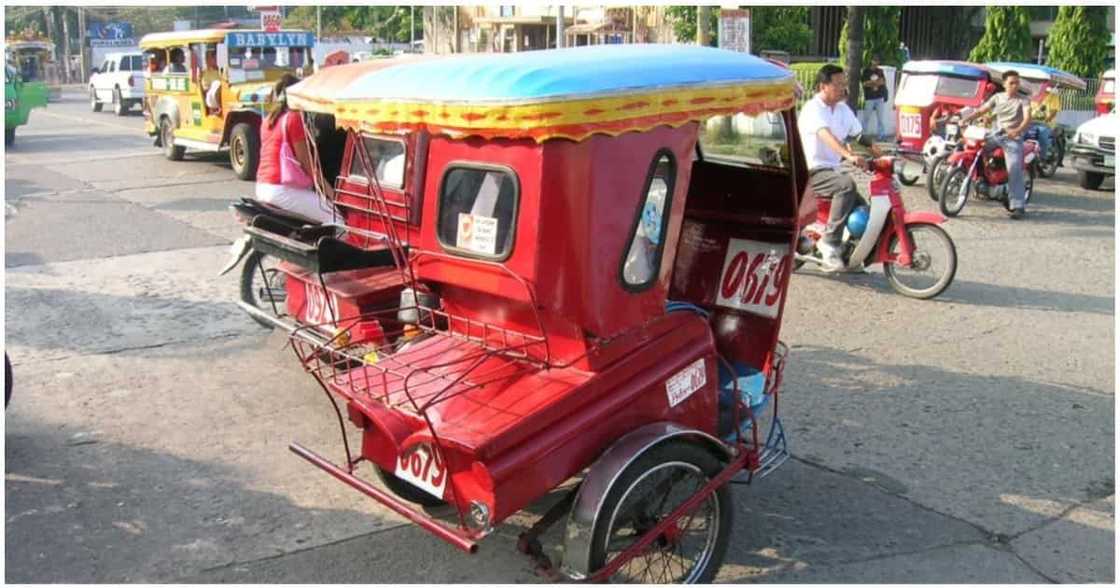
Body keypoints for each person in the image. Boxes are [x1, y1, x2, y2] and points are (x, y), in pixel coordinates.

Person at [798, 64, 880, 271]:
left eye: (844, 83)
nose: (843, 88)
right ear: (822, 86)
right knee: (846, 185)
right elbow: (826, 136)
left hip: (831, 171)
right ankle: (830, 242)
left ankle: (849, 254)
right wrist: (848, 155)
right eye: (837, 84)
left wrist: (876, 150)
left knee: (864, 209)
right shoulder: (813, 109)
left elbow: (858, 135)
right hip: (812, 170)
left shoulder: (843, 110)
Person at [255, 74, 339, 224]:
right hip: (281, 189)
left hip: (262, 187)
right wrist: (334, 198)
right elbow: (310, 168)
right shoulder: (294, 119)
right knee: (335, 217)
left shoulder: (268, 120)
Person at [960, 70, 1032, 219]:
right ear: (1004, 84)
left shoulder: (1023, 100)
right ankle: (981, 180)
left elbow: (1027, 119)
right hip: (996, 134)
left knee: (1014, 169)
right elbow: (981, 110)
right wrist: (966, 120)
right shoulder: (997, 98)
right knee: (972, 148)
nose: (1015, 85)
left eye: (1017, 82)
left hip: (1013, 138)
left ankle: (1018, 205)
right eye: (1011, 83)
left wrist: (1017, 130)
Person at [860, 55, 889, 141]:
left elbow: (883, 82)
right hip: (869, 98)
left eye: (877, 61)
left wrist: (872, 83)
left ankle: (881, 135)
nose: (876, 62)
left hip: (879, 97)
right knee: (866, 117)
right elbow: (865, 83)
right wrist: (875, 83)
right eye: (874, 60)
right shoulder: (866, 71)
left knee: (880, 118)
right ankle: (863, 135)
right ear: (871, 61)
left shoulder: (880, 71)